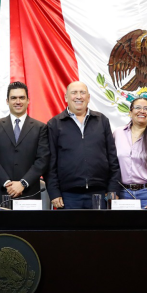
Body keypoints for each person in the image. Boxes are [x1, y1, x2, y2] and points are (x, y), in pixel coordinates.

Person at [46, 81, 120, 209]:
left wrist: (113, 188)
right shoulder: (54, 124)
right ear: (66, 97)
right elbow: (50, 162)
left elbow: (112, 158)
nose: (79, 96)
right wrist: (54, 192)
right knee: (69, 230)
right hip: (67, 196)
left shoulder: (102, 121)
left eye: (82, 92)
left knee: (98, 229)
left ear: (88, 97)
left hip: (99, 193)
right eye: (74, 93)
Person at [0, 82, 49, 208]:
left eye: (21, 97)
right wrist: (7, 183)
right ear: (7, 101)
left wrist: (23, 183)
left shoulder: (40, 127)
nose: (18, 101)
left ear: (28, 100)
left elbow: (42, 160)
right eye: (13, 98)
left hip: (29, 195)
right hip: (0, 193)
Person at [113, 97, 147, 209]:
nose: (142, 111)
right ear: (130, 112)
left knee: (146, 226)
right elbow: (110, 164)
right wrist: (112, 191)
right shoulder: (117, 134)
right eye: (137, 107)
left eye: (146, 108)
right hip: (121, 193)